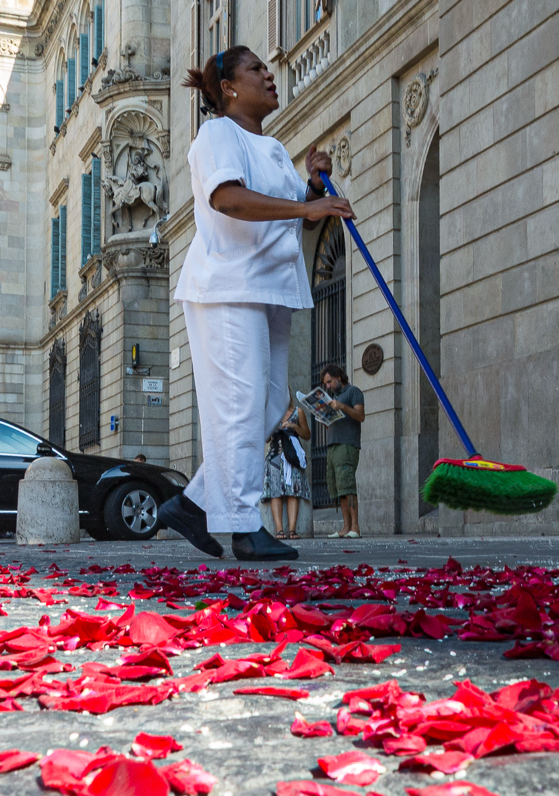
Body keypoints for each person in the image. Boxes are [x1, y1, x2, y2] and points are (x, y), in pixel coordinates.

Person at [157, 46, 354, 561]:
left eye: (268, 68)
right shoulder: (216, 134)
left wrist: (311, 187)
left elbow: (296, 217)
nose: (269, 75)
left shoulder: (270, 147)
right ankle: (244, 528)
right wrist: (304, 202)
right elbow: (228, 199)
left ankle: (192, 505)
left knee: (268, 407)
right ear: (228, 88)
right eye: (256, 69)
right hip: (227, 287)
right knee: (241, 407)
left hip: (269, 290)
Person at [321, 364, 364, 538]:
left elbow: (360, 416)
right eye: (326, 384)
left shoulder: (353, 392)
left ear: (339, 377)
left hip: (347, 445)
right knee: (338, 487)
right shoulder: (335, 397)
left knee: (347, 484)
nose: (328, 386)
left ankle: (355, 527)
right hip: (333, 444)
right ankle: (346, 527)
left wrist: (342, 407)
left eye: (329, 382)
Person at [263, 402, 311, 539]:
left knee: (293, 492)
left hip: (292, 456)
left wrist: (294, 426)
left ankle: (292, 530)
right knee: (275, 492)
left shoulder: (298, 412)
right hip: (274, 456)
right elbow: (266, 439)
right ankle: (279, 529)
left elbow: (307, 435)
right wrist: (271, 425)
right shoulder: (271, 413)